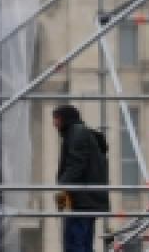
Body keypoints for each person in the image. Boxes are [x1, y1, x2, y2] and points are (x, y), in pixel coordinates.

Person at [53, 104, 110, 252]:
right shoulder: (79, 133)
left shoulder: (76, 133)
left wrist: (61, 188)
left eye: (57, 118)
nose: (54, 123)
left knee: (75, 243)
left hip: (81, 200)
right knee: (83, 242)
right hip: (86, 200)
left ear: (65, 119)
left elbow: (76, 165)